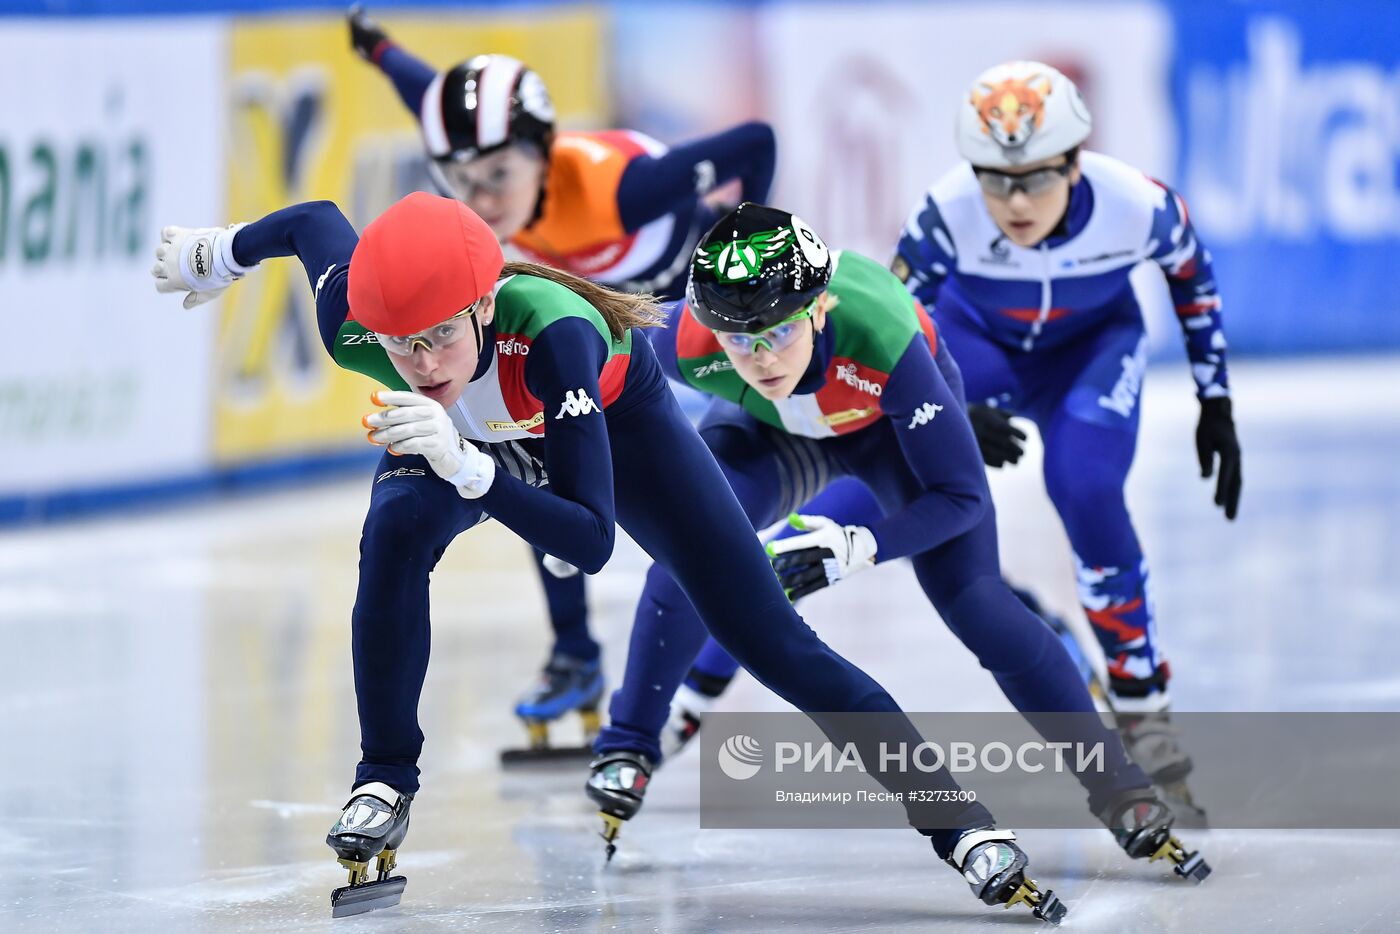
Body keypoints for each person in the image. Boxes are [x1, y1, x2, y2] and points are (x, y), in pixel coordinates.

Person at [151, 192, 1072, 922]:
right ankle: (384, 779)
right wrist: (221, 252)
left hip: (611, 433)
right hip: (463, 441)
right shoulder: (360, 324)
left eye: (437, 335)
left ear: (481, 302)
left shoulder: (555, 334)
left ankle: (960, 826)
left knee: (773, 641)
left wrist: (473, 469)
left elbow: (590, 541)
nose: (419, 360)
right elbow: (314, 224)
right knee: (390, 536)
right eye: (399, 344)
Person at [587, 202, 1209, 888]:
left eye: (780, 329)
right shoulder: (687, 339)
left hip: (886, 429)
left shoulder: (879, 334)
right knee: (688, 553)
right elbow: (577, 365)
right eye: (740, 339)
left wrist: (864, 543)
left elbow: (962, 497)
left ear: (820, 308)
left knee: (981, 610)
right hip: (770, 436)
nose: (761, 355)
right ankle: (629, 744)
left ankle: (1119, 786)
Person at [347, 6, 778, 748]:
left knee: (698, 483)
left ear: (544, 154)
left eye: (498, 178)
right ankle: (575, 650)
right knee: (526, 449)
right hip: (593, 323)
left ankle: (736, 604)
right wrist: (376, 44)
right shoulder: (491, 169)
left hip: (685, 313)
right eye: (460, 180)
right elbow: (424, 90)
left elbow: (755, 142)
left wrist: (752, 256)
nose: (479, 201)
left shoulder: (622, 193)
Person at [888, 60, 1241, 817]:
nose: (1015, 202)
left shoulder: (1139, 205)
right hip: (973, 346)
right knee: (898, 487)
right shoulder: (944, 212)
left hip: (1090, 350)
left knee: (1085, 488)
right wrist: (945, 402)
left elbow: (1194, 276)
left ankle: (1142, 705)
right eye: (996, 179)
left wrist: (1217, 403)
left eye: (1038, 179)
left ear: (1076, 163)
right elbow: (892, 327)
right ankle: (1021, 615)